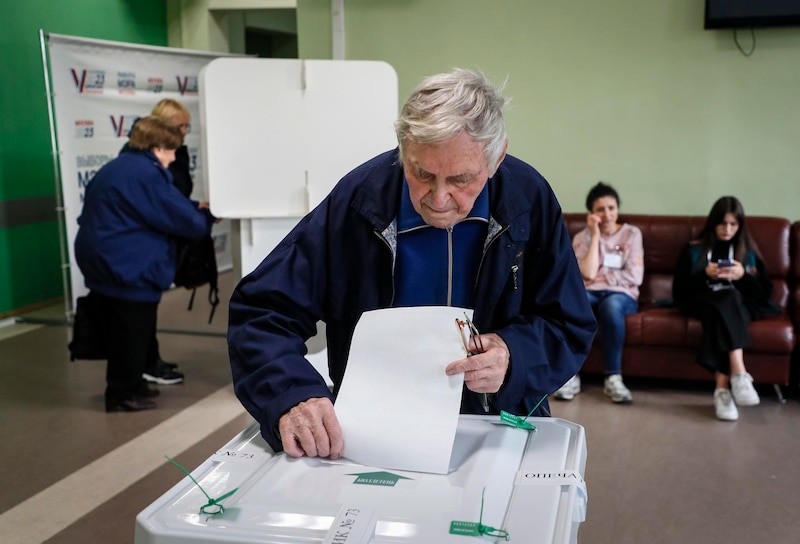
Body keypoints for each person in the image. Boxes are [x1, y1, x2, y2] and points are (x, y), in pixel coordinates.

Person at [227, 68, 597, 459]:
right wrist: (291, 394)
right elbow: (263, 311)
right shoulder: (359, 201)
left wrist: (513, 355)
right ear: (404, 148)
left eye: (460, 179)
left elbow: (568, 322)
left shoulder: (528, 200)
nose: (439, 199)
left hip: (498, 422)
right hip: (376, 427)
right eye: (422, 173)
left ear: (495, 158)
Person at [75, 116, 215, 412]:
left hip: (106, 258)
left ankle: (134, 384)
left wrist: (194, 207)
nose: (174, 157)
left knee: (128, 328)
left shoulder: (124, 166)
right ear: (155, 147)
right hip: (125, 264)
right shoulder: (145, 174)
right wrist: (206, 215)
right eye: (170, 150)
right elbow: (185, 222)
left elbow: (155, 207)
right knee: (132, 330)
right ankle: (121, 394)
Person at [672, 196, 772, 421]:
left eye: (733, 224)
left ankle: (722, 390)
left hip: (737, 306)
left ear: (740, 226)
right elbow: (678, 292)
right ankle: (739, 373)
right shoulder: (694, 250)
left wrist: (743, 276)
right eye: (722, 223)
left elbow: (765, 293)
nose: (727, 229)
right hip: (702, 301)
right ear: (713, 223)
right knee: (722, 302)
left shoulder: (749, 253)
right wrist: (703, 275)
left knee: (725, 305)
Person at [554, 182, 643, 404]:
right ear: (592, 213)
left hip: (621, 295)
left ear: (618, 208)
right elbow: (586, 273)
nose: (608, 214)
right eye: (601, 209)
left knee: (610, 307)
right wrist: (594, 235)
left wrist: (601, 279)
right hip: (591, 292)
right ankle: (570, 375)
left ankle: (613, 377)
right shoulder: (582, 237)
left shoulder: (632, 234)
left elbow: (634, 276)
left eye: (612, 208)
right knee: (572, 306)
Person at [138, 98, 196, 385]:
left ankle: (150, 361)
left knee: (146, 310)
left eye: (187, 125)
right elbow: (166, 200)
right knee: (139, 313)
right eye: (180, 125)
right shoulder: (146, 165)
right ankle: (143, 367)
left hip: (159, 239)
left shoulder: (175, 154)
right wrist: (197, 218)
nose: (185, 131)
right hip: (143, 246)